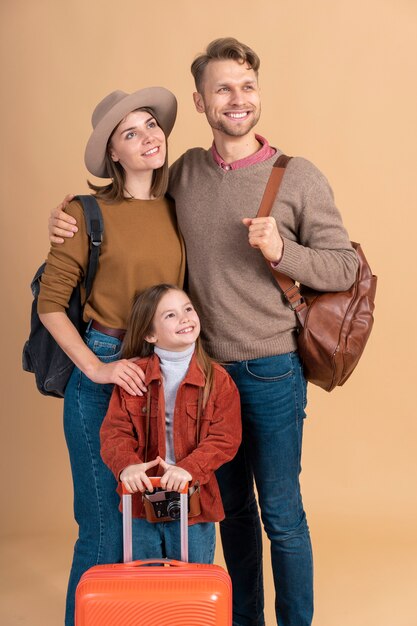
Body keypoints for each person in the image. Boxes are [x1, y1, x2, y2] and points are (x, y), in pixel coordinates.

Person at [48, 38, 359, 626]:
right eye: (222, 88)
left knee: (283, 516)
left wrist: (283, 250)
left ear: (258, 94)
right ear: (200, 101)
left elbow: (343, 266)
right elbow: (125, 214)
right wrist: (67, 216)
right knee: (228, 512)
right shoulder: (185, 171)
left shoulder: (298, 176)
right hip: (201, 375)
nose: (236, 99)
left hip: (269, 369)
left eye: (246, 86)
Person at [38, 87, 185, 626]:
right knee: (104, 528)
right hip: (105, 369)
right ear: (112, 157)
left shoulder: (177, 207)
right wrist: (97, 367)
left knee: (153, 523)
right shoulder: (84, 213)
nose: (148, 136)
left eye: (151, 124)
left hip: (164, 373)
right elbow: (52, 303)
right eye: (131, 133)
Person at [100, 283, 241, 563]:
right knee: (146, 583)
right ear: (150, 334)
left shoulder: (218, 379)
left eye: (187, 309)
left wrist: (188, 469)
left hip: (194, 502)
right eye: (170, 315)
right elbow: (115, 432)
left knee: (193, 584)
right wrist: (126, 465)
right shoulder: (133, 377)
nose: (185, 318)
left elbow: (225, 437)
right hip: (142, 501)